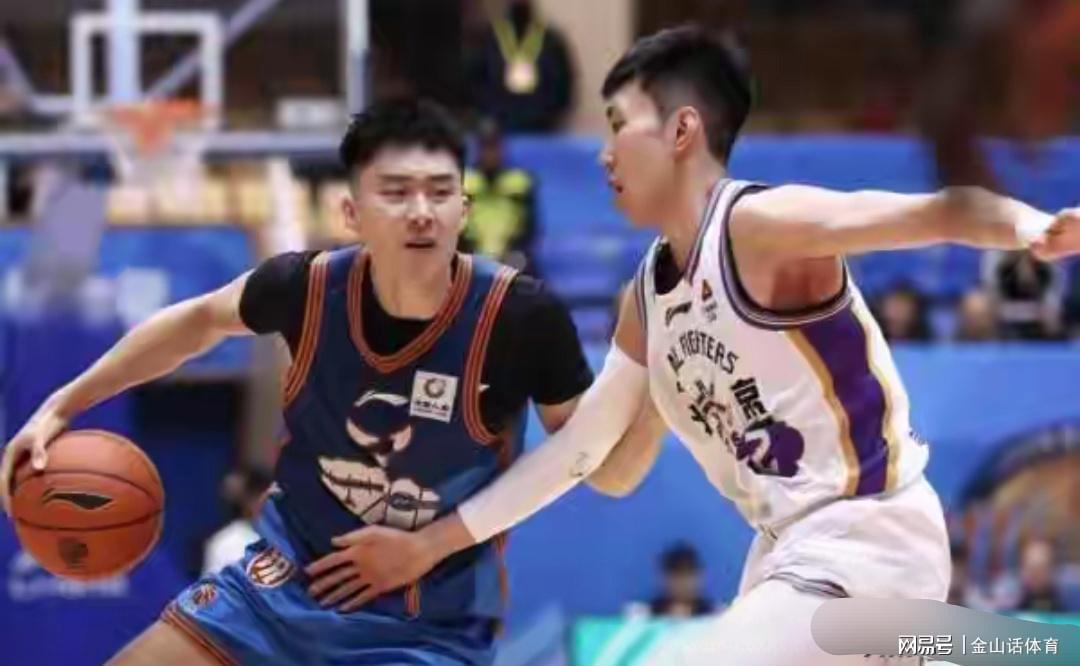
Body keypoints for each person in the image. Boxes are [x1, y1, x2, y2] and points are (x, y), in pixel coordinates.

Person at [335, 26, 1080, 665]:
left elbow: (935, 212)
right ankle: (1014, 646)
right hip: (788, 556)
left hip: (866, 536)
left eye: (618, 125)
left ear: (682, 131)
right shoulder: (646, 298)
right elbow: (598, 464)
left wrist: (1033, 229)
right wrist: (430, 542)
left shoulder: (761, 227)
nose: (603, 154)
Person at [0, 99, 609, 665]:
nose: (422, 210)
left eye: (440, 192)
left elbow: (578, 451)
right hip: (276, 590)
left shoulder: (519, 316)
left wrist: (432, 544)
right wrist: (62, 405)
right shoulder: (306, 288)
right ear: (351, 213)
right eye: (397, 192)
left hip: (426, 625)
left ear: (464, 210)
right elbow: (196, 322)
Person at [461, 119, 538, 272]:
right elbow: (456, 227)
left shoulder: (520, 182)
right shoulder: (464, 181)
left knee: (523, 271)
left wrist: (511, 251)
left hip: (511, 254)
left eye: (494, 147)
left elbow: (530, 228)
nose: (490, 154)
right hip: (471, 253)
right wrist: (472, 252)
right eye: (486, 147)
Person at [201, 465, 273, 576]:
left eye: (269, 497)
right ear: (246, 501)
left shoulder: (285, 536)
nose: (264, 503)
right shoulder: (225, 542)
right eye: (257, 496)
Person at [648, 542, 714, 618]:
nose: (683, 582)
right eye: (677, 575)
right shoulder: (646, 615)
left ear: (700, 576)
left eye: (688, 574)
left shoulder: (715, 616)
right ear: (665, 578)